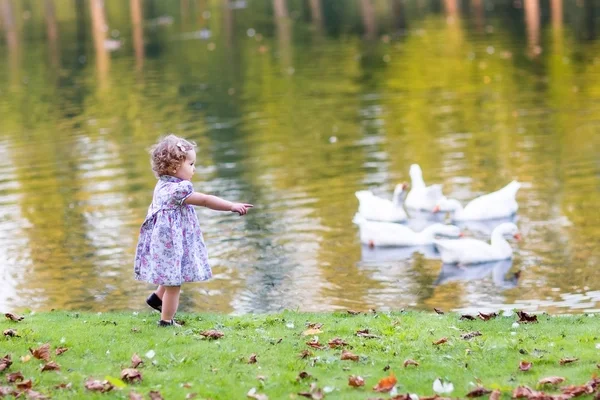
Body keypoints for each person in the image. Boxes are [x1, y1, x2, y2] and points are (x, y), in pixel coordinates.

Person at [134, 134, 253, 326]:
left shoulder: (163, 185)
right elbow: (205, 200)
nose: (194, 168)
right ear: (174, 167)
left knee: (171, 273)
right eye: (191, 164)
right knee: (174, 284)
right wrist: (231, 205)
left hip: (163, 241)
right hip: (171, 243)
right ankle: (166, 322)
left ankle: (157, 298)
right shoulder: (178, 190)